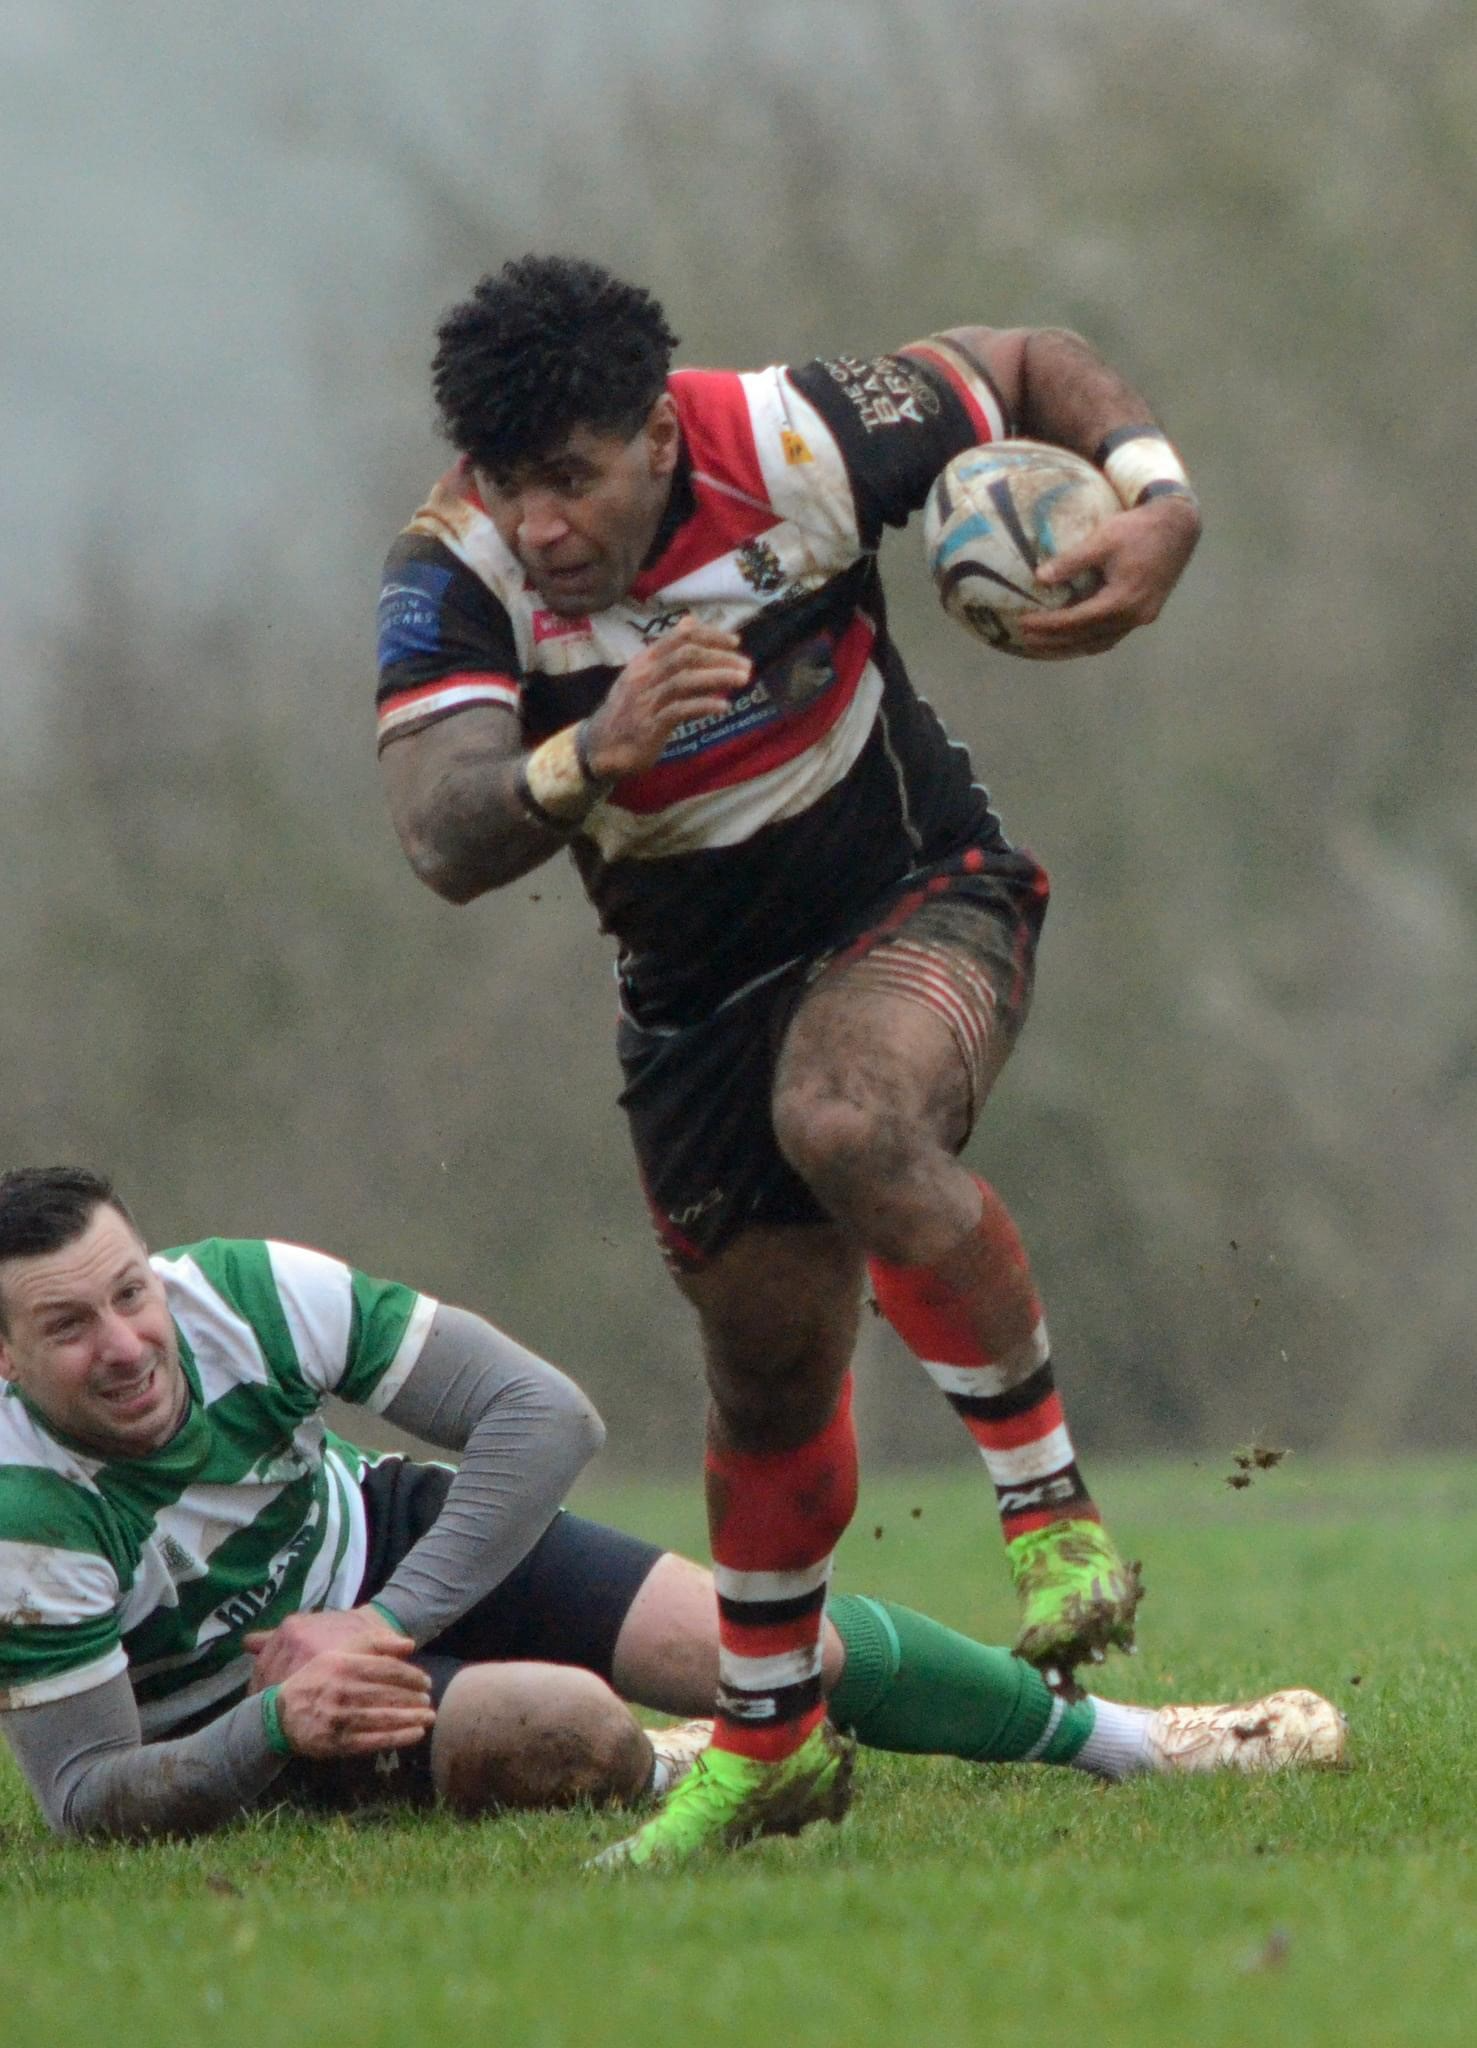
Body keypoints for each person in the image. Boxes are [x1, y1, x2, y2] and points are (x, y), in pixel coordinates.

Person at [376, 256, 1205, 1864]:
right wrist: (587, 755)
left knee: (846, 1115)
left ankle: (1054, 1520)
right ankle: (769, 1748)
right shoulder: (456, 571)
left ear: (656, 438)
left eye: (573, 479)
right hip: (692, 998)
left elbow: (1029, 358)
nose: (539, 522)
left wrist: (1157, 503)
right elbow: (437, 828)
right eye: (508, 482)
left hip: (915, 893)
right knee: (765, 1372)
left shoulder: (795, 436)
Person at [0, 1166, 1343, 1846]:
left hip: (381, 1548)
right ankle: (683, 1767)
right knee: (567, 1727)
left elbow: (546, 1416)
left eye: (130, 1292)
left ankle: (1138, 1745)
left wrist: (382, 1618)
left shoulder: (240, 1292)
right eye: (68, 1326)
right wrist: (272, 1729)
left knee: (763, 1648)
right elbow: (80, 1797)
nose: (126, 1340)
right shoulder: (23, 1518)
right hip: (257, 1705)